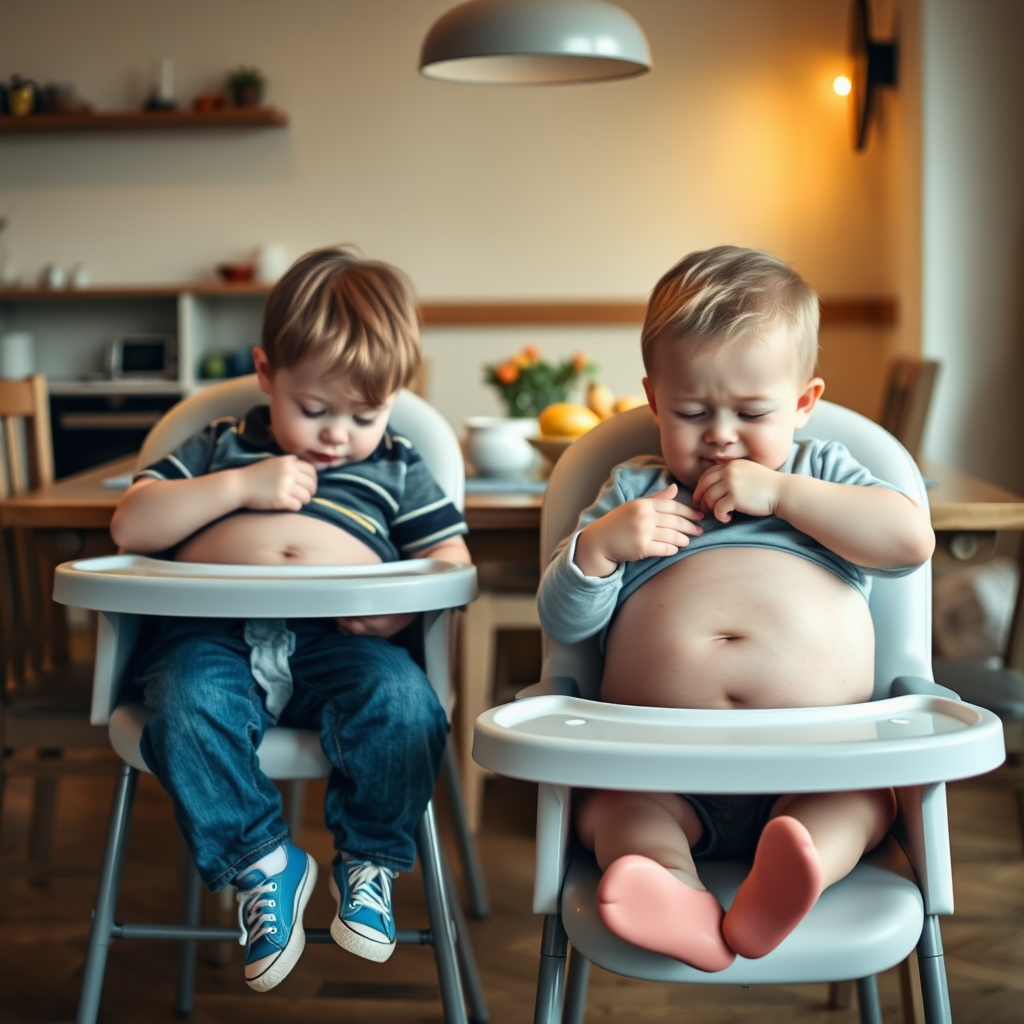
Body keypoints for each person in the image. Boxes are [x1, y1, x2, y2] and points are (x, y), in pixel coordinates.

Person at [537, 246, 935, 971]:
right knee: (614, 814)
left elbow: (911, 541)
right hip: (660, 766)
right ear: (655, 401)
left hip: (815, 763)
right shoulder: (634, 491)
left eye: (751, 413)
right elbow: (565, 626)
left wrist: (783, 495)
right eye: (692, 412)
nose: (721, 434)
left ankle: (793, 876)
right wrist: (597, 550)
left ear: (804, 403)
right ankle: (671, 891)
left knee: (862, 804)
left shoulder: (821, 476)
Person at [111, 247, 471, 991]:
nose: (338, 434)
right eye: (314, 410)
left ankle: (369, 861)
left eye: (365, 415)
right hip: (211, 643)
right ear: (267, 373)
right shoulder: (223, 445)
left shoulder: (396, 466)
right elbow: (132, 524)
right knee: (182, 711)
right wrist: (240, 485)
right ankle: (263, 863)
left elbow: (451, 562)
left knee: (407, 707)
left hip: (338, 648)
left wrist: (399, 607)